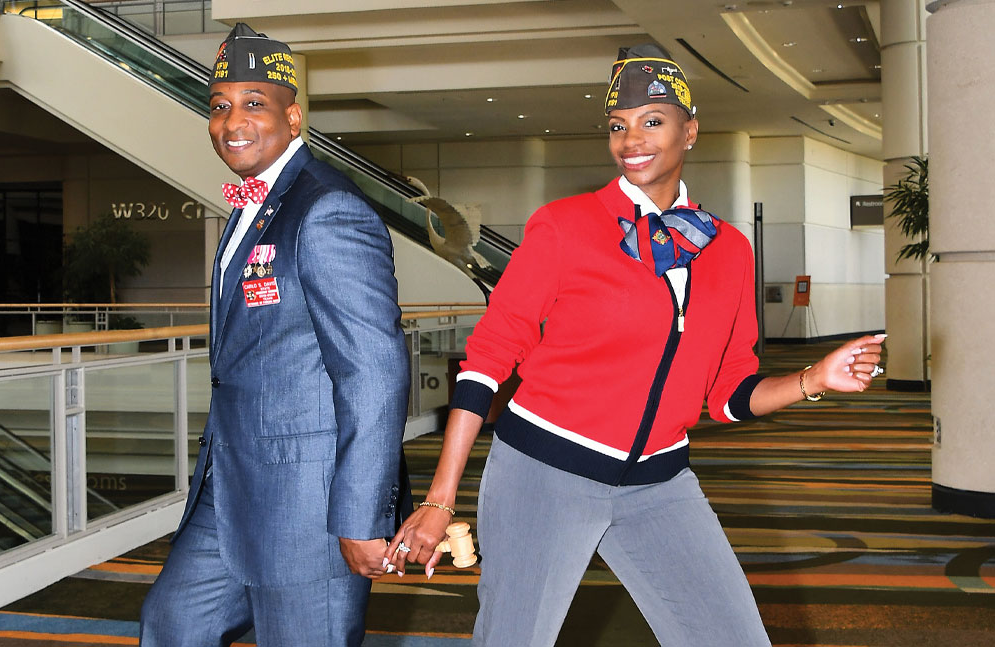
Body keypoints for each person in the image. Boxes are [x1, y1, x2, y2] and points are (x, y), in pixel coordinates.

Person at [385, 44, 886, 646]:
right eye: (618, 127)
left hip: (660, 483)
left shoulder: (727, 251)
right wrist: (441, 498)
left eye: (652, 121)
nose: (631, 140)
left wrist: (814, 379)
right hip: (544, 474)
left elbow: (729, 394)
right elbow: (488, 359)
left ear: (689, 130)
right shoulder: (565, 226)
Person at [140, 24, 410, 647]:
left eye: (254, 103)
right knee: (173, 622)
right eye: (219, 106)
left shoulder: (326, 210)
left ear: (293, 117)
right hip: (231, 486)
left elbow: (372, 369)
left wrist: (362, 514)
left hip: (308, 501)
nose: (232, 121)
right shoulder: (253, 206)